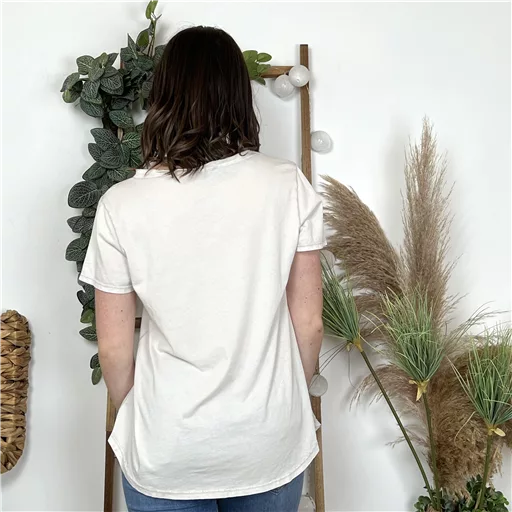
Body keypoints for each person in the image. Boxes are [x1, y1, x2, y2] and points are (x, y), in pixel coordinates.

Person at [80, 25, 325, 512]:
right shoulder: (286, 185)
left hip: (166, 443)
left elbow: (113, 347)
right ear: (238, 94)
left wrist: (137, 417)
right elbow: (310, 324)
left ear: (163, 95)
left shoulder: (122, 204)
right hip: (267, 438)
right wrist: (282, 402)